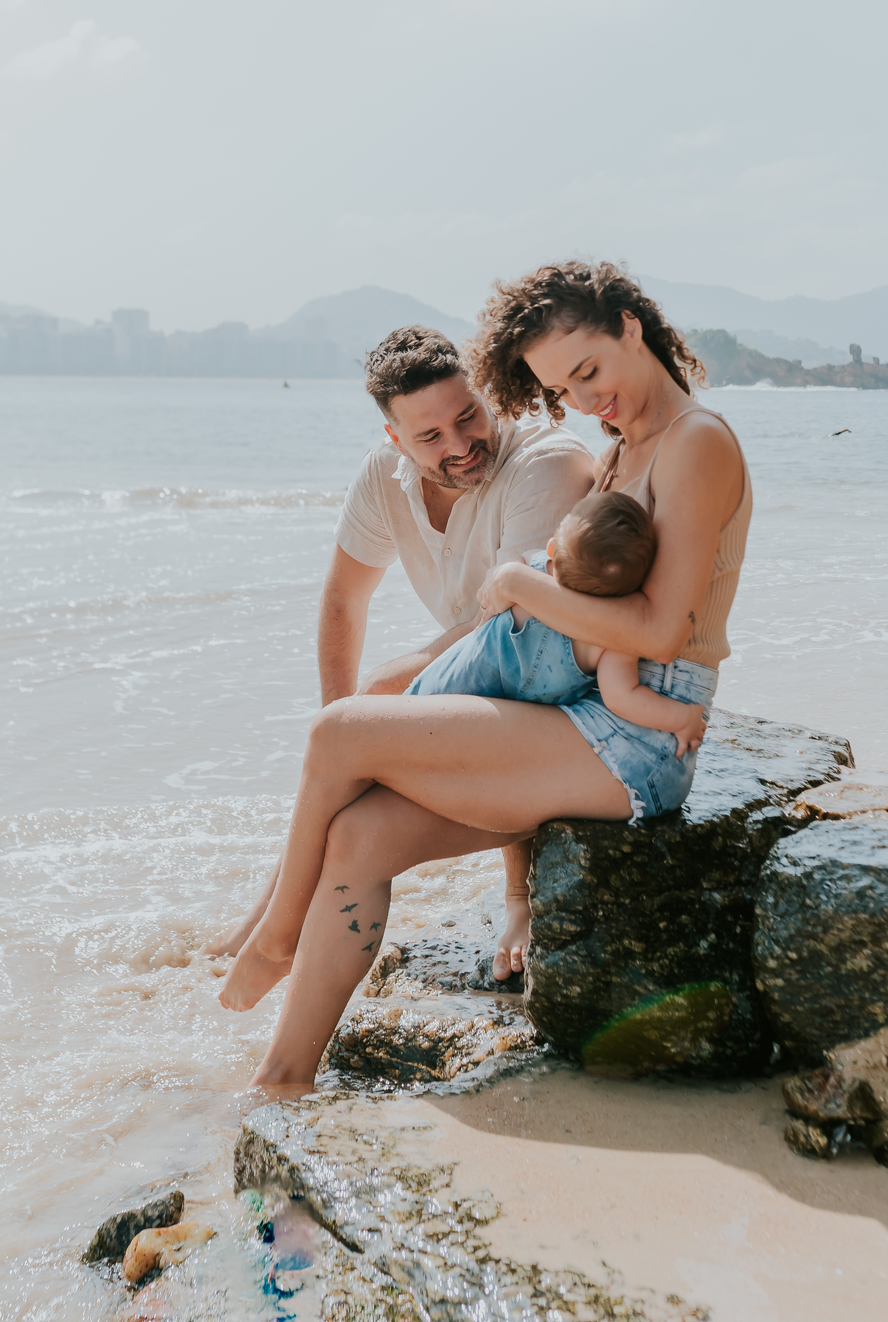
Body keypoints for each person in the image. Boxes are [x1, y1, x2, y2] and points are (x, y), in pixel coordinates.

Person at [218, 260, 752, 1097]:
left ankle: (280, 929)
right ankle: (281, 1081)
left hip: (636, 734)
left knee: (339, 732)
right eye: (559, 388)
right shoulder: (623, 449)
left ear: (631, 328)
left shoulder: (697, 443)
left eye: (589, 370)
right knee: (359, 838)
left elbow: (660, 629)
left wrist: (518, 586)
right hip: (581, 706)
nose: (584, 399)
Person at [208, 322, 594, 978]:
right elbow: (342, 601)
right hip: (490, 682)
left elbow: (508, 635)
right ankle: (268, 930)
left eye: (468, 416)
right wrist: (339, 749)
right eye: (429, 436)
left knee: (380, 701)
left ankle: (275, 934)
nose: (461, 444)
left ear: (487, 396)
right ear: (395, 439)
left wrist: (355, 728)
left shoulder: (545, 463)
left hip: (566, 692)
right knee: (349, 762)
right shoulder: (384, 479)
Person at [409, 491, 712, 785]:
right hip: (483, 721)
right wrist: (681, 718)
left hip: (444, 682)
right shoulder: (611, 640)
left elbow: (505, 569)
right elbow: (623, 698)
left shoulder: (533, 571)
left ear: (553, 550)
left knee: (405, 737)